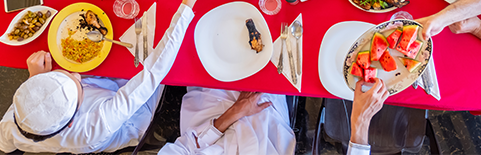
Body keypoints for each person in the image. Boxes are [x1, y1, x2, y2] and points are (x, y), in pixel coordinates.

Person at [0, 0, 213, 153]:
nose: (76, 74)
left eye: (62, 75)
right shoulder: (95, 127)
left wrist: (35, 79)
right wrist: (187, 4)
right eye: (77, 83)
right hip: (133, 113)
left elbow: (1, 144)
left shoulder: (13, 124)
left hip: (96, 90)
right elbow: (154, 72)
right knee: (167, 48)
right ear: (71, 121)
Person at [158, 79, 389, 154]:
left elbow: (185, 148)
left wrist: (236, 111)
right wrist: (361, 120)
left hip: (211, 107)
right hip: (269, 109)